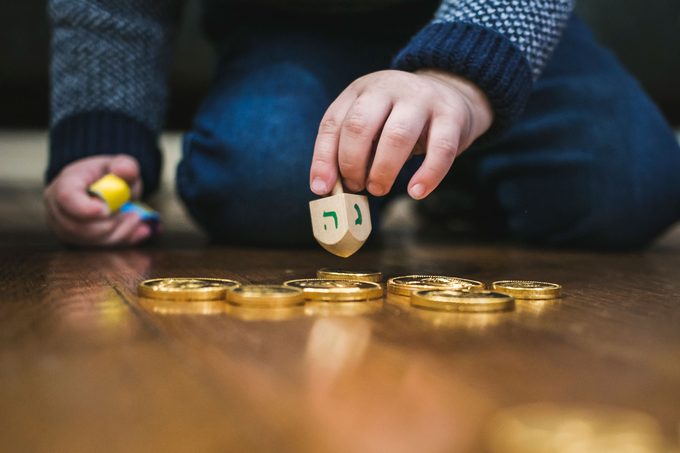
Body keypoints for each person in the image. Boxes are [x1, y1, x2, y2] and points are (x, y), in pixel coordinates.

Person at [44, 0, 680, 248]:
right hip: (293, 29)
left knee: (633, 182)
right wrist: (103, 134)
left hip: (500, 29)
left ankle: (457, 176)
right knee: (258, 182)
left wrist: (463, 79)